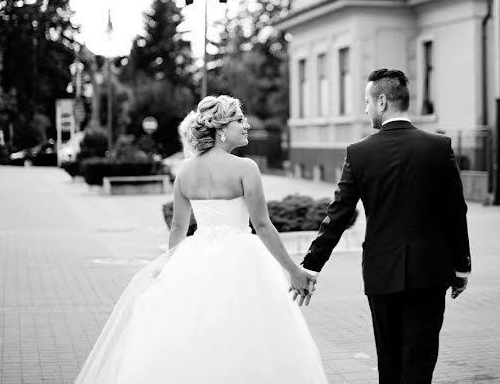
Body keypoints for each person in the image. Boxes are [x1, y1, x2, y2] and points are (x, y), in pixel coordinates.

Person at [75, 95, 326, 384]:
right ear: (221, 129)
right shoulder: (246, 168)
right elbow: (262, 225)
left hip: (196, 258)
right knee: (247, 337)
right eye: (239, 121)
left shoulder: (185, 171)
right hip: (242, 262)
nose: (246, 126)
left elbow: (178, 227)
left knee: (195, 335)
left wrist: (171, 269)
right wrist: (294, 270)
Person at [300, 68, 471, 384]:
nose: (365, 109)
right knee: (420, 361)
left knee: (389, 361)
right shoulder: (438, 147)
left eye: (366, 101)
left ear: (381, 101)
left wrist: (310, 266)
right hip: (430, 272)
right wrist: (461, 267)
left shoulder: (360, 152)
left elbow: (337, 215)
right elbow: (455, 211)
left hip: (382, 272)